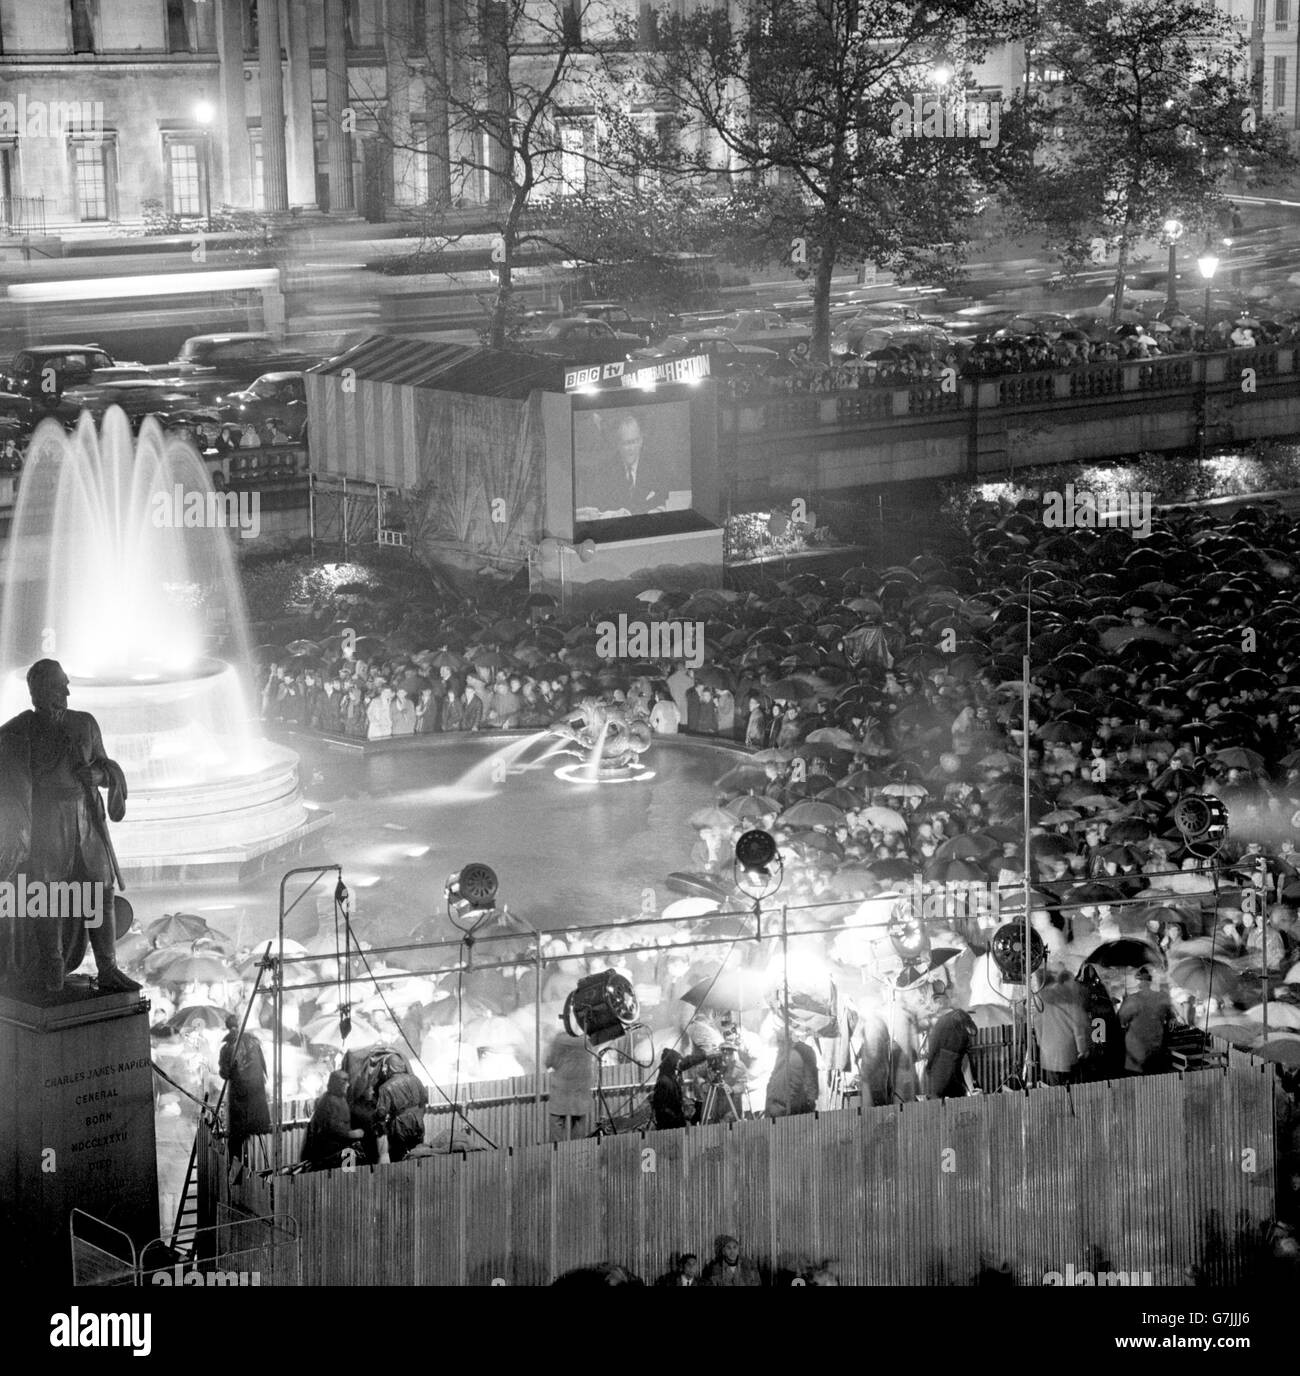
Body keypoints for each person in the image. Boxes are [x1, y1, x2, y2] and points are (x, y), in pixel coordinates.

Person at [0, 659, 139, 995]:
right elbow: (11, 784)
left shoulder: (85, 724)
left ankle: (108, 968)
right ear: (38, 690)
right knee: (48, 896)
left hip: (86, 819)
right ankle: (53, 969)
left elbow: (106, 763)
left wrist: (102, 776)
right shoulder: (18, 732)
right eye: (58, 685)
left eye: (65, 684)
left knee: (99, 892)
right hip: (47, 821)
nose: (66, 691)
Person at [578, 414, 672, 518]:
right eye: (626, 443)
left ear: (641, 441)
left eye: (634, 442)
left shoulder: (657, 467)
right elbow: (598, 508)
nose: (631, 448)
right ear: (618, 444)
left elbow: (666, 500)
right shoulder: (605, 470)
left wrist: (659, 510)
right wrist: (612, 514)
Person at [218, 1014, 271, 1174]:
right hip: (256, 1102)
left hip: (240, 1102)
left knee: (236, 1141)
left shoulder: (227, 1048)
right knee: (256, 1138)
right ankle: (257, 1172)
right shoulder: (254, 1042)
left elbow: (224, 1073)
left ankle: (236, 1174)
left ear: (227, 1027)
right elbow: (263, 1068)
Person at [1032, 970, 1092, 1086]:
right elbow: (1079, 1032)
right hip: (1067, 1055)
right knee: (1070, 1089)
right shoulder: (1073, 1007)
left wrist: (1042, 1044)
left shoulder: (1044, 1004)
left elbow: (1038, 1026)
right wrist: (1082, 1051)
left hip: (1049, 1055)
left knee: (1054, 1088)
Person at [921, 982, 979, 1098]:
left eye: (931, 1003)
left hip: (941, 1078)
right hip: (953, 1077)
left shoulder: (943, 1022)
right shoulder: (958, 1017)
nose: (930, 1008)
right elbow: (972, 1034)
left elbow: (933, 1053)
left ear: (939, 1001)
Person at [301, 1070, 365, 1170]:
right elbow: (332, 1128)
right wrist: (352, 1134)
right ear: (337, 1084)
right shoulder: (329, 1101)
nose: (348, 1085)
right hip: (331, 1152)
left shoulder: (340, 1099)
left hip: (342, 1148)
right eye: (345, 1082)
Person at [373, 1052, 429, 1162]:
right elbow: (424, 1099)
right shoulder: (415, 1079)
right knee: (418, 1154)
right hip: (417, 1122)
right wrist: (419, 1115)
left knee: (398, 1158)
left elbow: (381, 1113)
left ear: (389, 1067)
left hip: (399, 1126)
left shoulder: (385, 1087)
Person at [1117, 967, 1174, 1075]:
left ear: (1139, 983)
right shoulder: (1162, 997)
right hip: (1156, 1048)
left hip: (1136, 1052)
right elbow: (1170, 1016)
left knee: (1137, 1082)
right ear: (1150, 982)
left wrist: (1124, 1002)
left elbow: (1121, 1020)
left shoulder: (1133, 1000)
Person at [546, 1025, 594, 1140]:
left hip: (561, 1092)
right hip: (580, 1094)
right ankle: (577, 1155)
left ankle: (557, 1154)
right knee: (578, 1132)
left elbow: (549, 1062)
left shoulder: (559, 1040)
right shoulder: (586, 1043)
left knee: (557, 1128)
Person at [651, 1047, 708, 1130]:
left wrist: (704, 1056)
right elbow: (661, 1108)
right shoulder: (664, 1082)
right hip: (669, 1127)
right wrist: (679, 1120)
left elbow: (688, 1061)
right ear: (671, 1062)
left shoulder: (671, 1076)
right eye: (677, 1061)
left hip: (674, 1123)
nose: (679, 1063)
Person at [764, 1033, 819, 1117]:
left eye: (779, 1041)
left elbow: (806, 1081)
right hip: (780, 1104)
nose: (778, 1043)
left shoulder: (798, 1053)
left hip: (785, 1106)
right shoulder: (785, 1052)